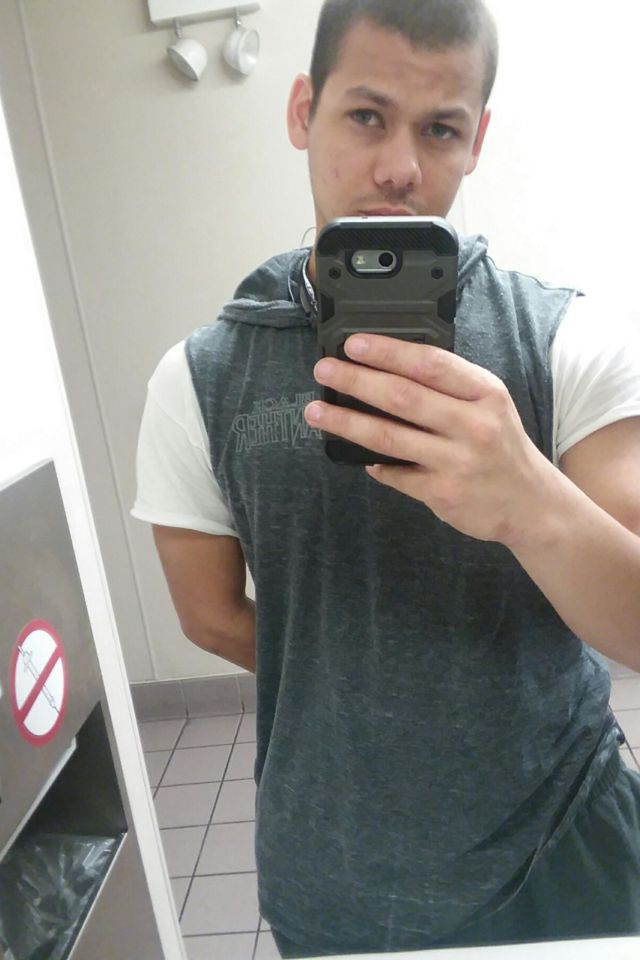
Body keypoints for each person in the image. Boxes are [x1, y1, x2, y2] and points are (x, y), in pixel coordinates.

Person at [132, 1, 640, 956]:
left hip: (562, 845)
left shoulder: (570, 341)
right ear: (303, 112)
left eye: (440, 128)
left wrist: (526, 499)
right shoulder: (196, 377)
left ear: (476, 141)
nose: (401, 165)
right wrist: (368, 684)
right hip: (334, 877)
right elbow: (207, 614)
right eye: (366, 115)